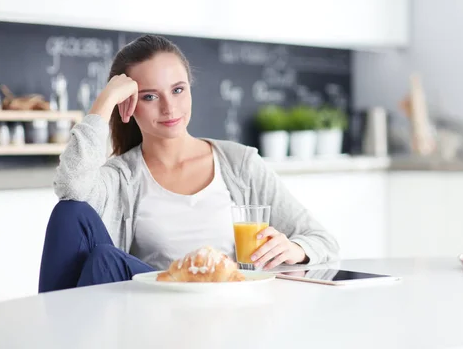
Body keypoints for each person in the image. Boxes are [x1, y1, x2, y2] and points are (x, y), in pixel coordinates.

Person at [38, 34, 339, 293]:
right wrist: (104, 101)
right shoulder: (121, 177)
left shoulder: (240, 164)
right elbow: (71, 188)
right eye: (150, 96)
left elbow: (323, 241)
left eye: (178, 90)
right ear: (128, 104)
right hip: (154, 314)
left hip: (226, 309)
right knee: (72, 213)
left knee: (105, 259)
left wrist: (296, 249)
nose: (170, 108)